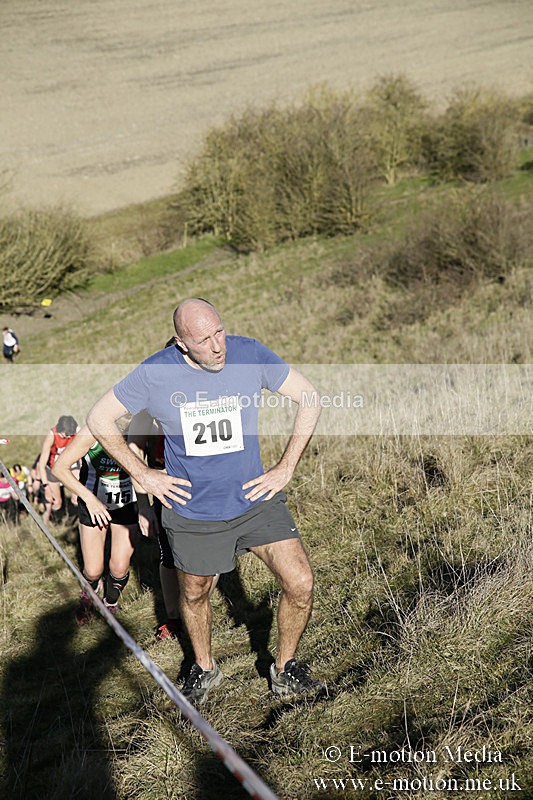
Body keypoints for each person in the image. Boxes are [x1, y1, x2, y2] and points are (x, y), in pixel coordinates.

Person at [86, 298, 324, 706]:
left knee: (300, 582)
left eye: (220, 332)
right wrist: (142, 474)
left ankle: (285, 668)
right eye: (203, 340)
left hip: (254, 499)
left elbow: (310, 397)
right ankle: (204, 666)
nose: (217, 347)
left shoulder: (248, 353)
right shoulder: (156, 372)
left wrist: (286, 467)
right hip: (193, 511)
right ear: (181, 343)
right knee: (194, 595)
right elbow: (99, 418)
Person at [52, 421, 139, 623]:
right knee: (93, 570)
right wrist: (90, 499)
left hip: (126, 503)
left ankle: (110, 601)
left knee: (119, 568)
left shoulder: (141, 429)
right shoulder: (93, 429)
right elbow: (59, 468)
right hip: (94, 503)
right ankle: (89, 595)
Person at [37, 415, 78, 524]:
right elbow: (41, 464)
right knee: (57, 501)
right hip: (53, 468)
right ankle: (56, 522)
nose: (68, 437)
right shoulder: (52, 435)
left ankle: (72, 519)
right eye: (65, 435)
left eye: (70, 435)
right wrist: (46, 487)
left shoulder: (75, 431)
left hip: (70, 465)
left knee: (76, 497)